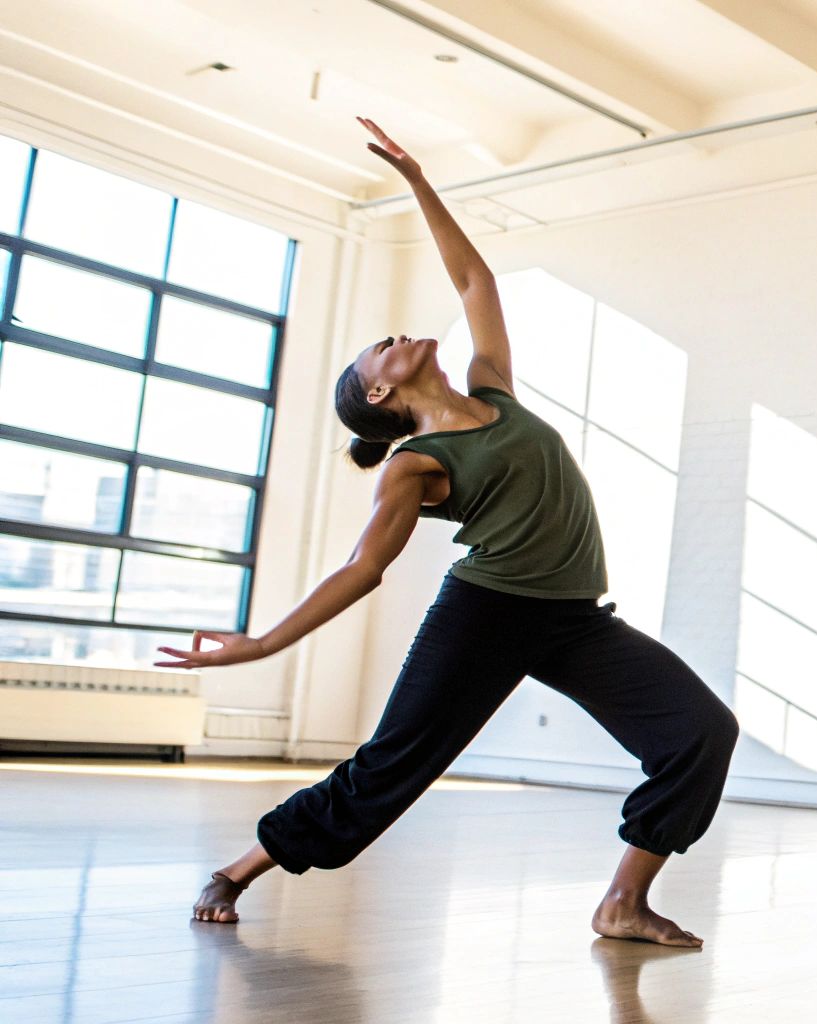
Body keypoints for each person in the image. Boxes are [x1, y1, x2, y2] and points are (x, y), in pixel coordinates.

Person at [158, 117, 738, 948]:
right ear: (384, 398)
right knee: (394, 766)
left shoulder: (494, 390)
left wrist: (418, 181)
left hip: (572, 617)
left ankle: (622, 901)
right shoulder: (415, 465)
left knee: (700, 732)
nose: (394, 339)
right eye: (377, 352)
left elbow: (475, 282)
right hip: (488, 613)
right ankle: (239, 867)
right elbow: (363, 569)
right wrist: (260, 645)